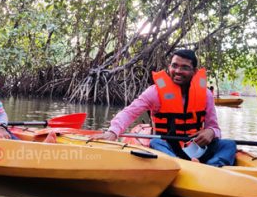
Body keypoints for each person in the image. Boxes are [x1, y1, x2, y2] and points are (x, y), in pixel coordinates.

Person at [93, 49, 236, 166]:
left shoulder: (206, 95)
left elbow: (215, 128)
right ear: (169, 67)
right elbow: (130, 112)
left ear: (194, 71)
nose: (178, 71)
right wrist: (113, 131)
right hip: (167, 147)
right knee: (155, 141)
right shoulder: (154, 92)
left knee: (229, 145)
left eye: (185, 67)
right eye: (174, 66)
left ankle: (212, 168)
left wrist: (211, 131)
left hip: (195, 147)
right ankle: (181, 165)